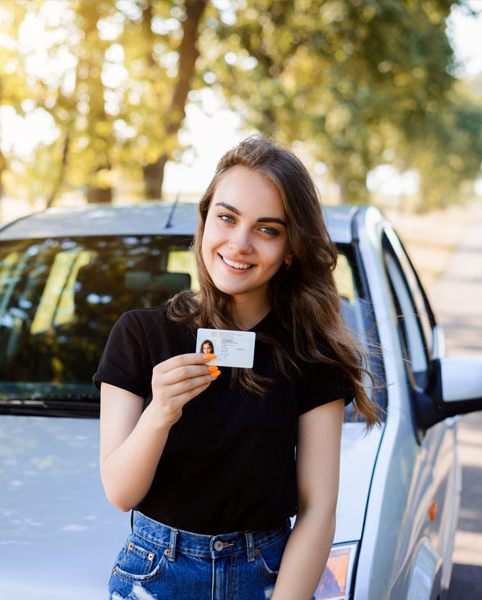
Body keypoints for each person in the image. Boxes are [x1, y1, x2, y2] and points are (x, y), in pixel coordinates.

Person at [94, 136, 381, 600]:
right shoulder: (139, 335)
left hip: (265, 574)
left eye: (267, 229)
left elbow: (318, 509)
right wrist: (160, 412)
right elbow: (121, 493)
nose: (240, 243)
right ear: (205, 221)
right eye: (226, 218)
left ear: (290, 248)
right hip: (155, 573)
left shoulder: (310, 354)